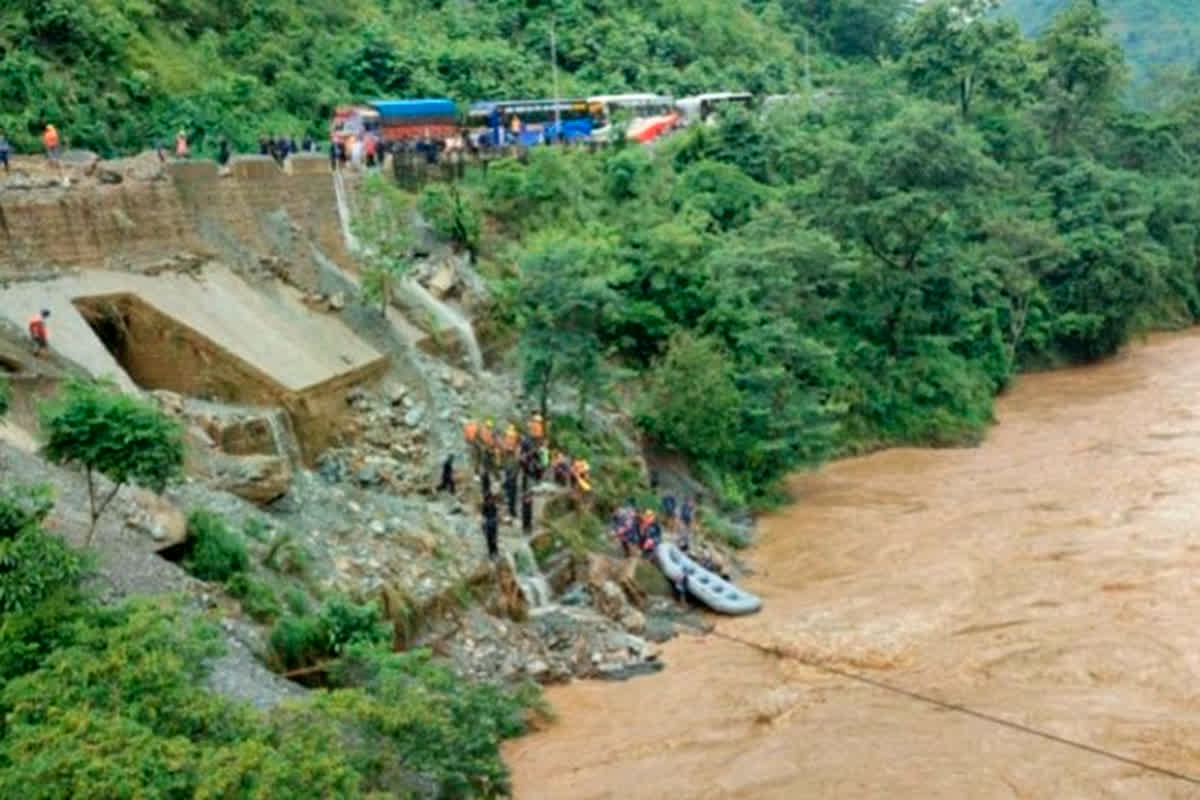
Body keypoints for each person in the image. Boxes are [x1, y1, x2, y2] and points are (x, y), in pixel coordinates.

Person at [481, 492, 500, 560]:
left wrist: (495, 520)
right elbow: (483, 516)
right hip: (488, 525)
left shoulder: (494, 506)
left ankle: (495, 552)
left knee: (494, 539)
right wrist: (484, 525)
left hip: (493, 525)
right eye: (489, 499)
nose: (490, 501)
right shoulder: (484, 506)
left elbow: (496, 515)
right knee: (489, 540)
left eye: (491, 499)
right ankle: (491, 553)